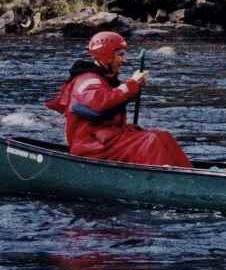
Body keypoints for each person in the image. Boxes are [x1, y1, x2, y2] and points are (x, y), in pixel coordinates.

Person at [43, 32, 193, 168]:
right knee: (150, 141)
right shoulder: (88, 80)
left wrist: (133, 88)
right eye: (120, 55)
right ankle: (165, 180)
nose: (123, 60)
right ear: (107, 55)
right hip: (93, 146)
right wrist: (132, 85)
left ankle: (188, 174)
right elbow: (99, 106)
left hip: (108, 138)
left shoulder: (104, 78)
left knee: (163, 136)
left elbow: (112, 101)